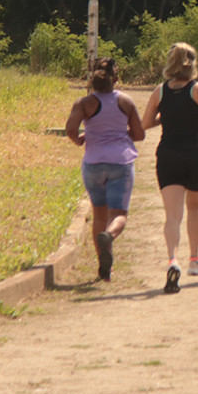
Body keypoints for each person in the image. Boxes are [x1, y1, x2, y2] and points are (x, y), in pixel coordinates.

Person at [141, 43, 198, 294]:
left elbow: (146, 123)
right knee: (194, 206)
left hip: (168, 154)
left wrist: (166, 116)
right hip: (197, 154)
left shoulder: (160, 91)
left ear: (170, 62)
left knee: (172, 215)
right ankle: (194, 260)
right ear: (192, 63)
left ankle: (172, 259)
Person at [65, 57, 145, 283]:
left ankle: (103, 267)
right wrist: (123, 135)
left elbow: (70, 129)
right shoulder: (126, 101)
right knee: (118, 215)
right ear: (116, 79)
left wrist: (80, 140)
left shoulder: (83, 103)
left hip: (93, 164)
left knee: (99, 214)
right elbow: (139, 135)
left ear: (92, 80)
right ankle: (109, 236)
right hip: (120, 162)